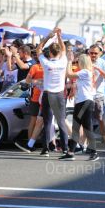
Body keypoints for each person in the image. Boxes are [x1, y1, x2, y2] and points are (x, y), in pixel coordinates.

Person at [36, 27, 69, 158]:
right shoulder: (63, 61)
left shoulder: (46, 63)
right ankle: (65, 148)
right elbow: (64, 50)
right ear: (58, 52)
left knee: (47, 122)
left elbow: (38, 49)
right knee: (61, 121)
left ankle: (45, 150)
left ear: (50, 53)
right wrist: (59, 37)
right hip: (59, 95)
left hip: (48, 94)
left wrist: (49, 37)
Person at [65, 54, 98, 161]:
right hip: (81, 102)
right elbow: (74, 82)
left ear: (82, 62)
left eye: (78, 61)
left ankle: (94, 152)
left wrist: (69, 61)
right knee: (76, 127)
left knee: (87, 127)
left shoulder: (85, 72)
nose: (77, 62)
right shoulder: (84, 72)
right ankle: (71, 152)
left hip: (86, 102)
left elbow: (69, 74)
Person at [88, 44, 105, 153]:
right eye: (91, 53)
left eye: (95, 53)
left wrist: (98, 69)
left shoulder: (102, 63)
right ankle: (86, 145)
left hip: (98, 95)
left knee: (101, 120)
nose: (93, 55)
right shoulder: (84, 61)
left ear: (100, 53)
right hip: (86, 95)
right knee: (85, 120)